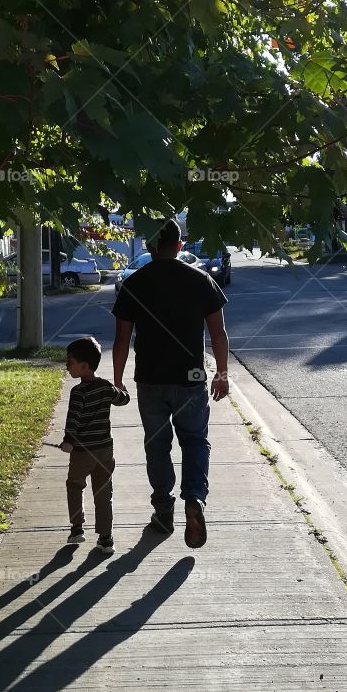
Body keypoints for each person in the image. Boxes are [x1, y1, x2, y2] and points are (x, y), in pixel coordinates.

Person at [111, 218, 229, 549]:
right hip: (191, 378)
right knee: (194, 441)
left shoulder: (135, 282)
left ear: (148, 247)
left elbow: (122, 338)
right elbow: (217, 333)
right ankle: (195, 499)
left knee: (157, 446)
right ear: (180, 246)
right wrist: (221, 373)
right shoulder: (201, 280)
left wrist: (118, 380)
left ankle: (163, 513)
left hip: (149, 379)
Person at [60, 336, 130, 556]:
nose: (66, 365)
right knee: (103, 493)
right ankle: (106, 538)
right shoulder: (105, 387)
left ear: (84, 366)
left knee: (75, 485)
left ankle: (77, 528)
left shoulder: (78, 392)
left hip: (82, 452)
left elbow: (73, 419)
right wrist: (122, 388)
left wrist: (68, 441)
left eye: (70, 361)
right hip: (105, 451)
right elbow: (123, 400)